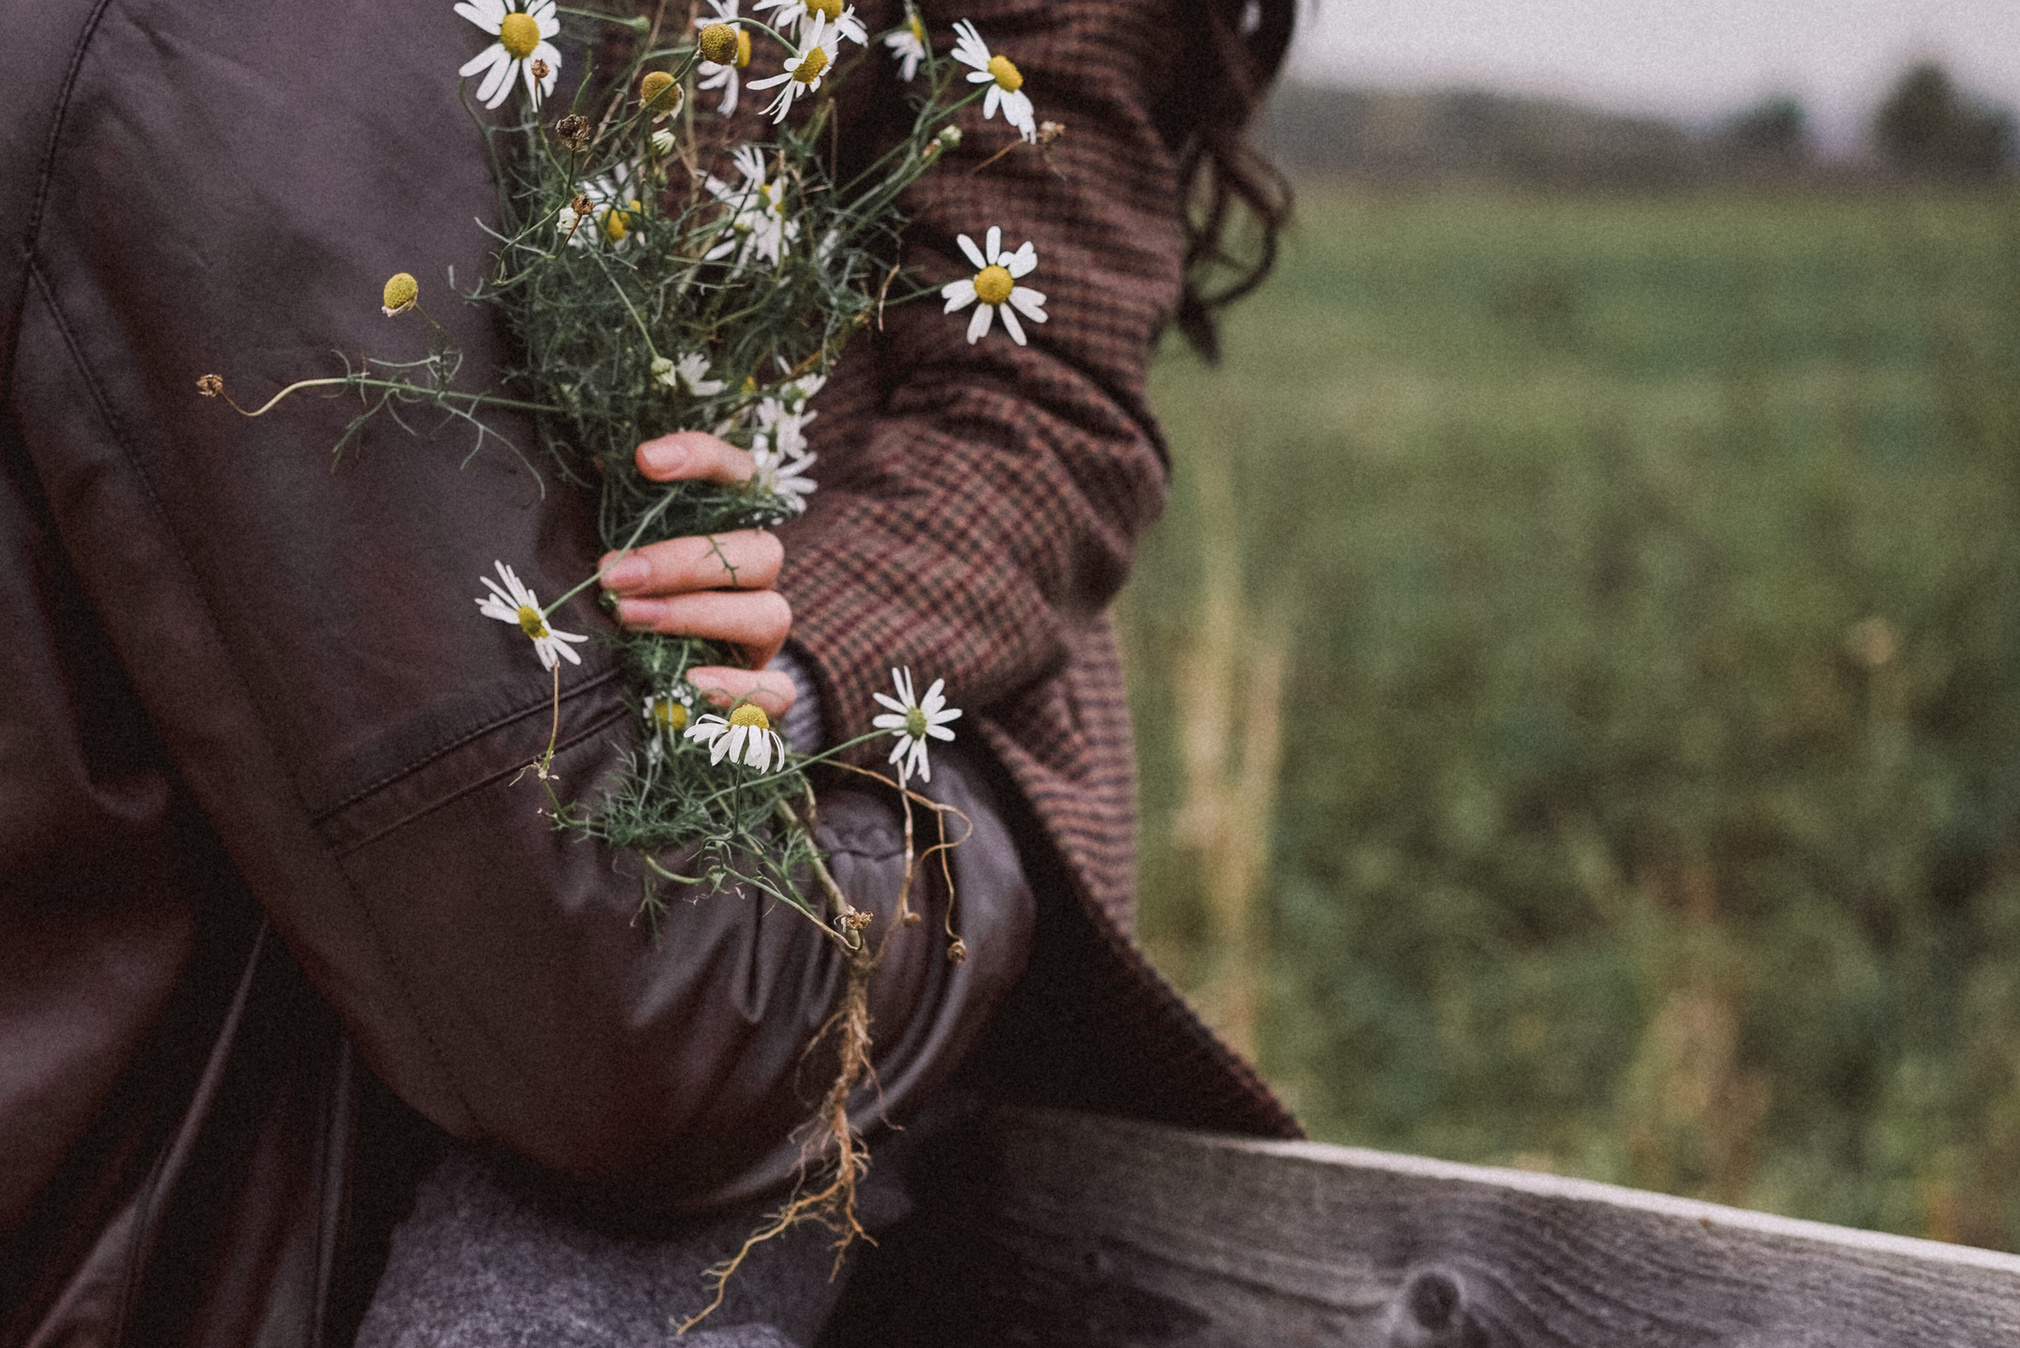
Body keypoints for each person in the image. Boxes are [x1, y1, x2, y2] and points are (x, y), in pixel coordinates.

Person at [0, 0, 1298, 1342]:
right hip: (456, 707)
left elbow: (1047, 407)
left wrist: (797, 651)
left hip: (835, 791)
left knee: (531, 1293)